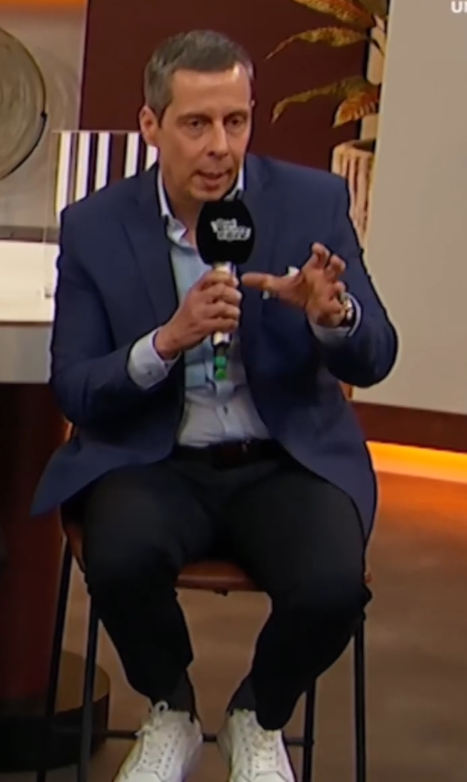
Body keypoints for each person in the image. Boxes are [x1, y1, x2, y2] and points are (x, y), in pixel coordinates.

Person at [32, 29, 398, 782]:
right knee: (121, 559)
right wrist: (166, 341)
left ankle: (257, 717)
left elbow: (377, 354)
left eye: (236, 121)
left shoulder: (312, 203)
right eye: (196, 124)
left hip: (284, 458)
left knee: (334, 586)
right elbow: (76, 387)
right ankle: (170, 709)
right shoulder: (96, 227)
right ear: (151, 124)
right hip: (155, 458)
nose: (220, 147)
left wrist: (332, 317)